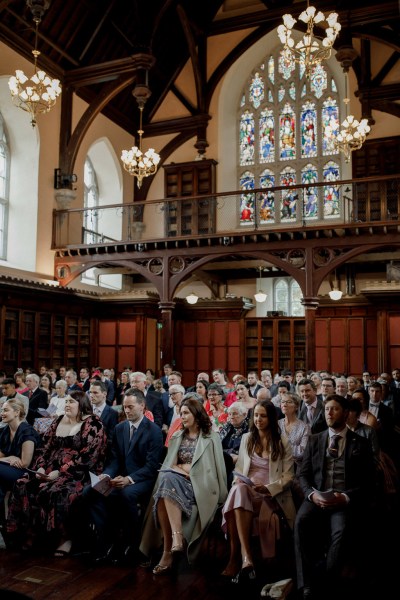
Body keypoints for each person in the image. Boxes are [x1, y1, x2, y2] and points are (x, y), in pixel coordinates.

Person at [6, 390, 107, 557]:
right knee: (23, 485)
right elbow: (45, 448)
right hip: (48, 470)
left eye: (71, 402)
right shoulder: (58, 420)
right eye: (66, 401)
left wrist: (59, 473)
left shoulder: (94, 424)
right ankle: (31, 535)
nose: (67, 404)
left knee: (57, 491)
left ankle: (64, 538)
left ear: (82, 405)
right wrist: (40, 467)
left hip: (78, 473)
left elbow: (89, 457)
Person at [294, 394, 376, 599]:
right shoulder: (315, 440)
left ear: (346, 413)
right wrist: (312, 495)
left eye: (335, 409)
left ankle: (326, 581)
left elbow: (369, 483)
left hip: (343, 500)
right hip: (317, 497)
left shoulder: (361, 443)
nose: (329, 413)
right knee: (301, 522)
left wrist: (346, 498)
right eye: (327, 409)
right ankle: (306, 583)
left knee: (340, 531)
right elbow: (302, 475)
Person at [140, 397, 227, 571]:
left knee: (166, 482)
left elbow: (217, 468)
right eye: (180, 413)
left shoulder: (211, 437)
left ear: (196, 413)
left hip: (200, 486)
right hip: (175, 482)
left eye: (186, 413)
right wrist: (180, 468)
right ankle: (174, 543)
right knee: (166, 480)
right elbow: (169, 464)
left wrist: (186, 469)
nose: (183, 416)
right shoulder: (177, 435)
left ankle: (169, 548)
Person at [83, 389, 164, 563]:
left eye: (131, 407)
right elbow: (114, 460)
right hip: (120, 476)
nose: (126, 411)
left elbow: (151, 466)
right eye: (124, 407)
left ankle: (132, 543)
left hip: (143, 478)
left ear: (142, 406)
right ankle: (106, 538)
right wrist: (107, 475)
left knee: (127, 494)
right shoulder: (120, 428)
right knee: (89, 491)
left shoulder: (154, 431)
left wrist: (128, 479)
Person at [221, 400, 296, 580]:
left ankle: (236, 558)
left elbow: (288, 476)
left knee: (236, 500)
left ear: (271, 418)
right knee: (238, 490)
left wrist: (268, 488)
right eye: (255, 415)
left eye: (263, 416)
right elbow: (239, 470)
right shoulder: (247, 438)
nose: (258, 419)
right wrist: (239, 479)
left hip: (270, 494)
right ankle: (246, 558)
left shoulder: (282, 441)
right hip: (246, 489)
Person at [0, 398, 40, 516]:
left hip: (28, 471)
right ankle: (4, 522)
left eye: (5, 410)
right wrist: (8, 458)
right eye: (2, 410)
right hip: (9, 469)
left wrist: (7, 460)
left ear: (17, 412)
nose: (2, 413)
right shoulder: (5, 431)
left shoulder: (27, 431)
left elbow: (25, 463)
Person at [219, 401, 250, 486]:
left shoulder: (250, 428)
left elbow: (251, 450)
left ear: (244, 415)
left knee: (230, 478)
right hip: (223, 458)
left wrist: (239, 457)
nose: (231, 417)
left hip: (240, 461)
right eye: (229, 414)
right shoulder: (227, 426)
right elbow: (218, 443)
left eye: (235, 414)